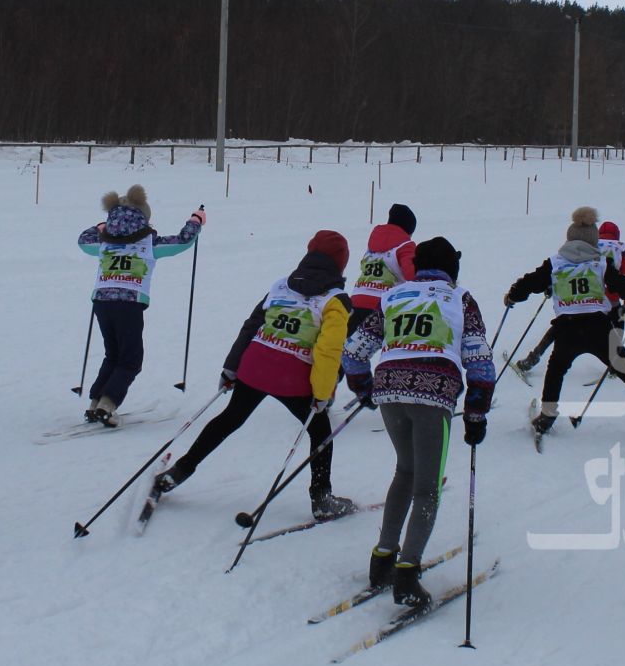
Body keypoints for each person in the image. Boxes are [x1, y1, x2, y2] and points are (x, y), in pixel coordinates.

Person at [152, 230, 357, 520]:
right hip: (292, 378)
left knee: (229, 419)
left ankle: (179, 471)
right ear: (341, 264)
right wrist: (323, 393)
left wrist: (231, 367)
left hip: (255, 366)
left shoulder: (281, 286)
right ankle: (322, 499)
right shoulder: (337, 301)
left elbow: (252, 326)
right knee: (320, 432)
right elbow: (327, 351)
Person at [341, 236, 492, 609]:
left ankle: (382, 560)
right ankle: (407, 575)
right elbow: (480, 361)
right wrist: (475, 413)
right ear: (451, 268)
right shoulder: (460, 299)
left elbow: (354, 350)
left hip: (390, 388)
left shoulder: (394, 296)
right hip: (434, 394)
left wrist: (364, 388)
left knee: (404, 472)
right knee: (427, 486)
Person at [506, 206, 625, 445]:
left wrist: (513, 296)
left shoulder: (555, 263)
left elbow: (529, 283)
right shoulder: (601, 264)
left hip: (567, 329)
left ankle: (546, 417)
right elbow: (624, 286)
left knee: (555, 372)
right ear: (594, 241)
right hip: (599, 329)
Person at [75, 185, 206, 426]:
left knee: (113, 354)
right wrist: (195, 220)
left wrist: (99, 228)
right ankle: (108, 404)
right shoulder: (149, 243)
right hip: (130, 303)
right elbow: (183, 241)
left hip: (102, 302)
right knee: (131, 360)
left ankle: (96, 402)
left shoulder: (103, 242)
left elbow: (84, 242)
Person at [513, 217, 625, 382]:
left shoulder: (589, 247)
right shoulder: (620, 250)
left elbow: (570, 271)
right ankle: (615, 365)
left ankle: (533, 358)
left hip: (585, 297)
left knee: (559, 329)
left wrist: (551, 286)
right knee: (616, 328)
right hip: (610, 300)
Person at [349, 204, 417, 333]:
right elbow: (412, 275)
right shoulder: (406, 245)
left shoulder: (372, 246)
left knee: (349, 347)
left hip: (357, 300)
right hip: (385, 304)